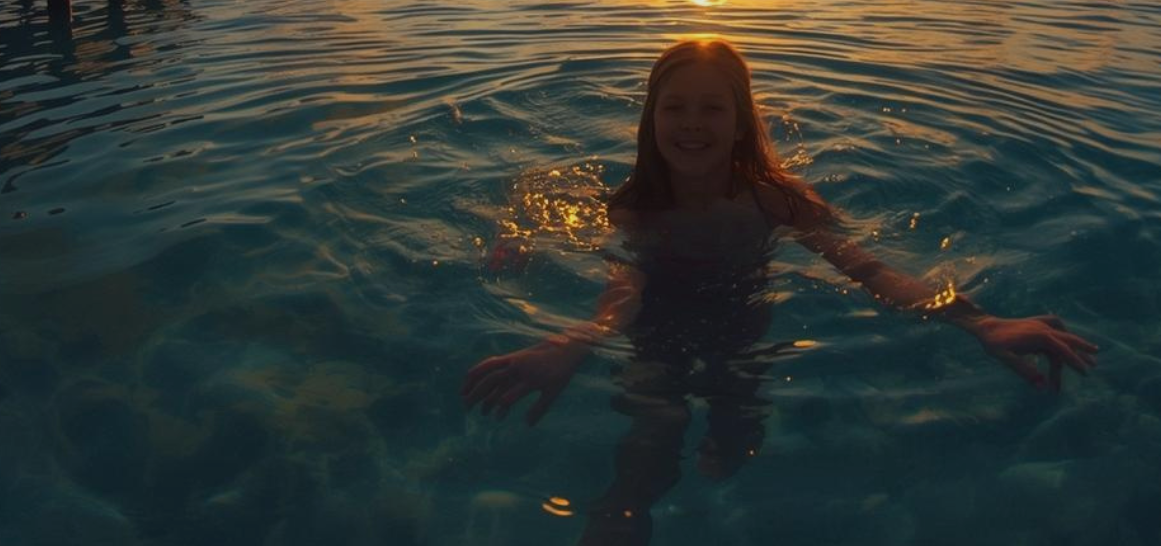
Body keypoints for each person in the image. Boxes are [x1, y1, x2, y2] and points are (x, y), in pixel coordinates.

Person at [462, 39, 1099, 544]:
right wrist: (572, 341)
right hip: (657, 322)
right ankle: (623, 509)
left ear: (741, 122)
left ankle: (729, 446)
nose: (691, 123)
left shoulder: (779, 201)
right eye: (674, 106)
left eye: (712, 107)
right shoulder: (635, 208)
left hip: (744, 316)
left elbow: (869, 270)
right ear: (650, 117)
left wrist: (978, 322)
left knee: (736, 426)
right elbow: (623, 292)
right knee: (652, 424)